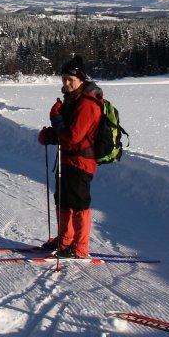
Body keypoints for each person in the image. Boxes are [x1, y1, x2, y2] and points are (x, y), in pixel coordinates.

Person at [36, 56, 103, 258]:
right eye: (64, 79)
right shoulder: (72, 100)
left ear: (81, 79)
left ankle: (80, 247)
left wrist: (56, 119)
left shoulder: (88, 104)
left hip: (81, 162)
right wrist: (51, 134)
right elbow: (66, 133)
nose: (66, 83)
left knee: (79, 203)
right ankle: (65, 241)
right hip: (67, 160)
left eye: (70, 79)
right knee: (62, 201)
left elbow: (73, 136)